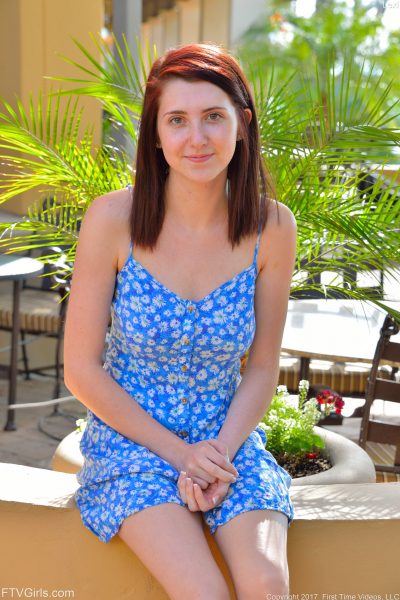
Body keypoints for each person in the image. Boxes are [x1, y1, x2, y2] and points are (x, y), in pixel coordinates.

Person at [64, 43, 297, 600]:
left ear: (242, 124)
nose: (197, 138)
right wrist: (181, 455)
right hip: (132, 445)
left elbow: (262, 367)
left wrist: (216, 456)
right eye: (177, 120)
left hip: (227, 441)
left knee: (266, 584)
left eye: (213, 116)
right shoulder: (113, 219)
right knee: (204, 592)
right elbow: (80, 370)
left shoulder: (272, 227)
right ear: (155, 133)